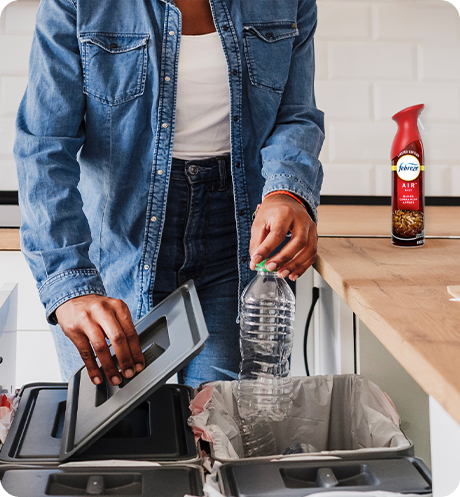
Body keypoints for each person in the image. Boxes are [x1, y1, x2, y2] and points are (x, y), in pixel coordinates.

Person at [14, 0, 324, 388]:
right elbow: (44, 146)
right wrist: (70, 284)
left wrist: (288, 193)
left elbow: (295, 114)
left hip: (237, 243)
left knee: (222, 429)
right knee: (116, 434)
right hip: (118, 243)